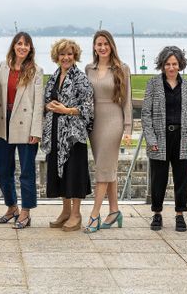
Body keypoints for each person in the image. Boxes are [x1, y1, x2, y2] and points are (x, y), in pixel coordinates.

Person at [141, 46, 187, 232]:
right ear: (162, 65)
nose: (171, 68)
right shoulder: (153, 84)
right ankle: (156, 213)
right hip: (159, 138)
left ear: (180, 64)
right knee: (159, 179)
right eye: (167, 64)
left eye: (174, 64)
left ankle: (180, 215)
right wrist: (151, 139)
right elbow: (145, 114)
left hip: (183, 137)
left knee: (182, 178)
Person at [42, 38, 94, 232]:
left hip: (73, 134)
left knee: (74, 172)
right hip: (55, 131)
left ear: (75, 56)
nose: (66, 57)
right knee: (59, 171)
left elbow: (88, 108)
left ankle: (76, 214)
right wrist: (48, 106)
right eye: (62, 54)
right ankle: (65, 211)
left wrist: (66, 110)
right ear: (57, 56)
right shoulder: (54, 76)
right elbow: (47, 100)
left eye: (69, 54)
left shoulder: (81, 78)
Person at [83, 30, 132, 233]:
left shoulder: (122, 68)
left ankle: (94, 215)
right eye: (98, 44)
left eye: (105, 44)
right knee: (107, 166)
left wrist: (128, 128)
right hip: (94, 123)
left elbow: (127, 100)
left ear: (111, 45)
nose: (102, 47)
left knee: (103, 168)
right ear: (94, 47)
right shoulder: (89, 68)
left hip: (113, 120)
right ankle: (114, 211)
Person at [0, 32, 44, 229]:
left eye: (26, 44)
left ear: (31, 48)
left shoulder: (36, 71)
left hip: (26, 125)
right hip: (4, 123)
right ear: (14, 46)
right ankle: (12, 207)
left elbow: (39, 103)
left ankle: (25, 212)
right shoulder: (2, 67)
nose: (22, 47)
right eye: (19, 43)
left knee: (26, 171)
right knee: (3, 169)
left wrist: (36, 130)